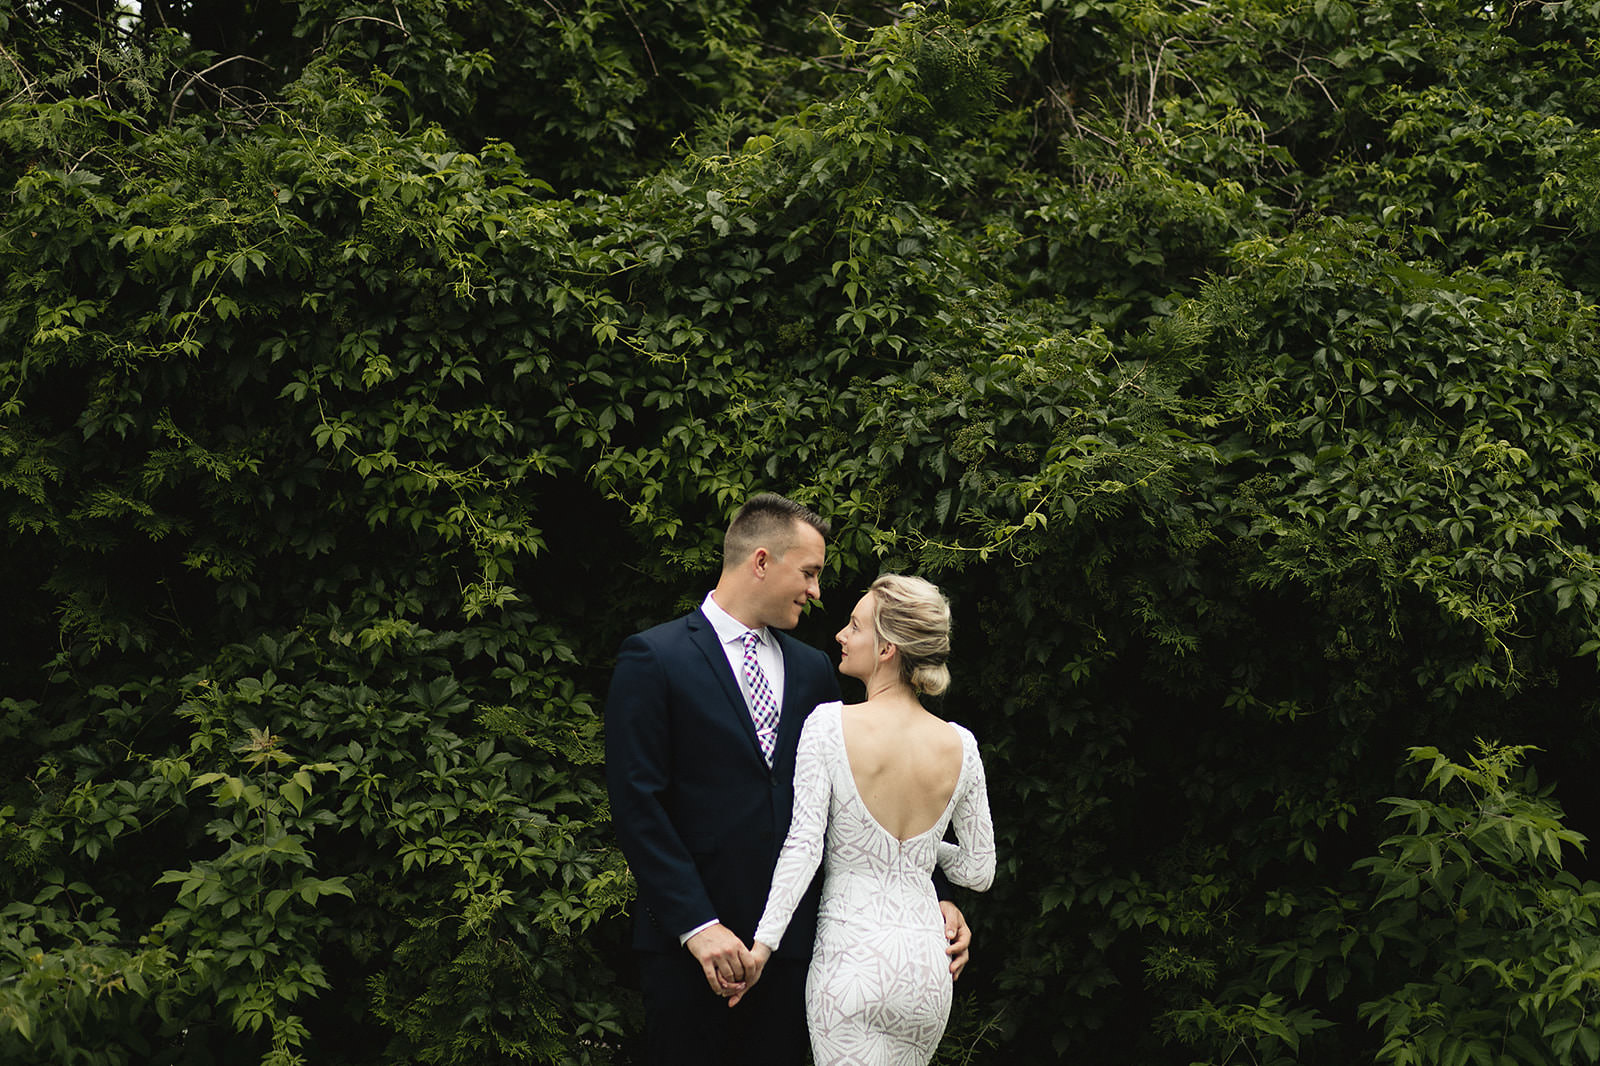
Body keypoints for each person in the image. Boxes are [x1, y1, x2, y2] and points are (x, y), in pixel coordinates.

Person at [605, 495, 971, 1066]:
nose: (816, 590)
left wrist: (932, 897)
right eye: (809, 572)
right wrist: (697, 926)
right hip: (692, 952)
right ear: (760, 561)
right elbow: (637, 805)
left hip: (800, 952)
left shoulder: (812, 669)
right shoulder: (654, 658)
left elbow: (854, 803)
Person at [734, 574, 996, 1065]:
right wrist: (922, 848)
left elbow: (804, 848)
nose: (841, 634)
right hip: (925, 971)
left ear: (886, 650)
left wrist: (762, 948)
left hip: (851, 964)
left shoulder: (830, 726)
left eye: (855, 626)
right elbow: (978, 873)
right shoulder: (961, 744)